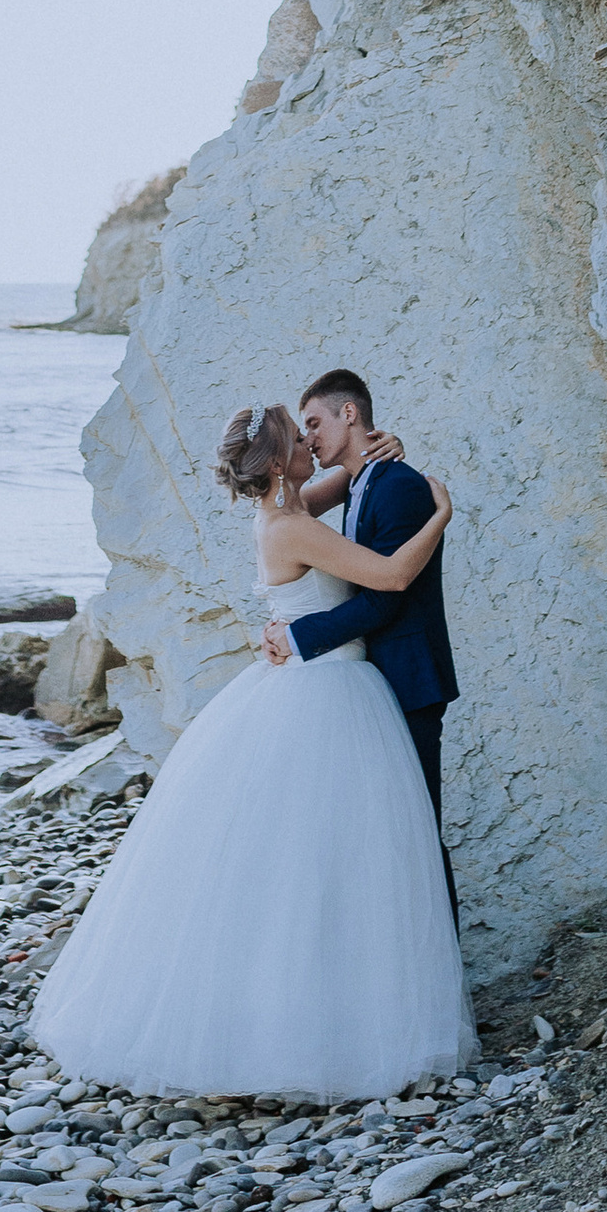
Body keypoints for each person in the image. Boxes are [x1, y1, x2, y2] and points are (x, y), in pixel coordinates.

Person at [29, 398, 465, 1099]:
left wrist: (384, 449)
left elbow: (350, 480)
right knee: (324, 860)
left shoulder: (288, 508)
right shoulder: (290, 526)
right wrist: (441, 514)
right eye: (300, 438)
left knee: (311, 859)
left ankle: (326, 1007)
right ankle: (315, 1025)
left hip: (315, 685)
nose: (310, 445)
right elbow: (388, 578)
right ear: (281, 460)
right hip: (327, 693)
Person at [263, 366, 460, 915]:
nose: (309, 438)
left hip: (408, 680)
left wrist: (297, 635)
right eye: (301, 432)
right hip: (370, 684)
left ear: (349, 414)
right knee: (382, 838)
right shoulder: (360, 481)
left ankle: (439, 981)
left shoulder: (397, 485)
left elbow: (386, 597)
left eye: (315, 423)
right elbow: (300, 506)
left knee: (419, 835)